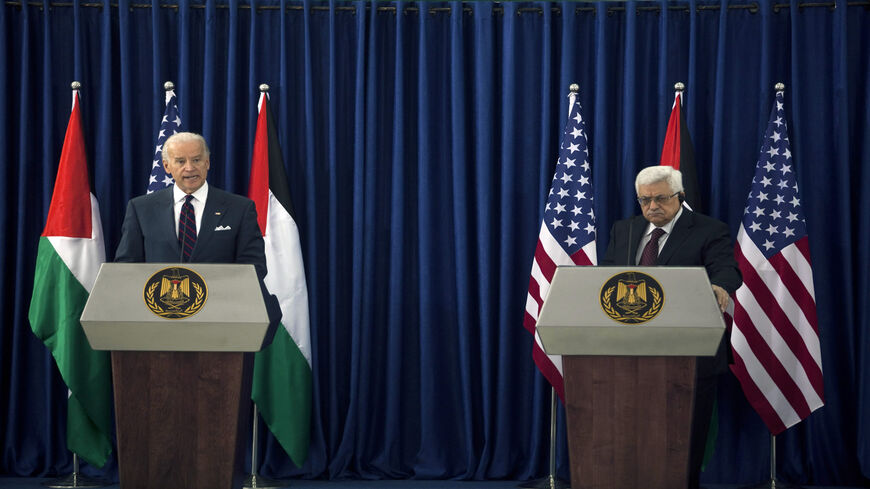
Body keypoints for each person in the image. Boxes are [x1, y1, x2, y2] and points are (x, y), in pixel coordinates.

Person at [601, 165, 742, 489]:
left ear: (680, 196)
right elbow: (606, 278)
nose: (652, 207)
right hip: (630, 352)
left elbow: (727, 270)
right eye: (645, 200)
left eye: (661, 199)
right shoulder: (625, 230)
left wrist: (719, 286)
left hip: (690, 353)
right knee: (632, 435)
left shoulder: (708, 230)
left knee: (685, 438)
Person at [115, 131, 280, 340]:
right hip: (157, 328)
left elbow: (254, 268)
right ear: (166, 166)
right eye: (180, 161)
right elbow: (126, 267)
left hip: (222, 327)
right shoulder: (141, 208)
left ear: (208, 163)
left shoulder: (240, 208)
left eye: (196, 160)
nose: (190, 168)